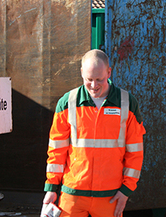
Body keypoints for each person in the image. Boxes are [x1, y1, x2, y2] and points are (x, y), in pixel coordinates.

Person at [42, 49, 145, 217]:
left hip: (110, 196)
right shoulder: (67, 103)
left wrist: (126, 190)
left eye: (100, 79)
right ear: (81, 73)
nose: (94, 85)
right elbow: (56, 150)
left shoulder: (127, 103)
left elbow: (135, 151)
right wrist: (52, 187)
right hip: (73, 193)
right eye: (89, 79)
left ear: (109, 72)